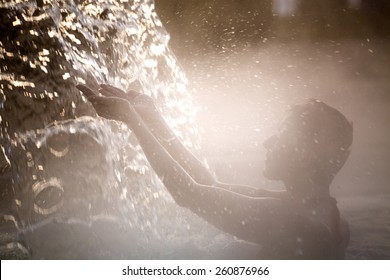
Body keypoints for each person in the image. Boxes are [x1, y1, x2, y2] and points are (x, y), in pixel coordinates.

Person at [76, 84, 353, 259]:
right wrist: (152, 118)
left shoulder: (296, 221)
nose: (267, 142)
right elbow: (208, 183)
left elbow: (188, 194)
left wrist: (131, 120)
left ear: (305, 152)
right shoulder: (319, 212)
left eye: (281, 135)